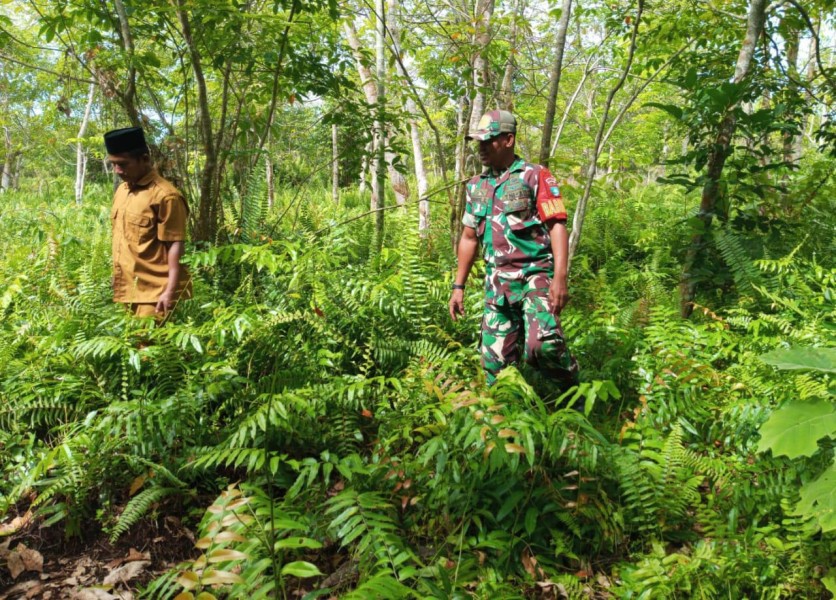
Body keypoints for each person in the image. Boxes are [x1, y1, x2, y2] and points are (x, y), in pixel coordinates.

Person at [449, 110, 578, 387]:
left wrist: (560, 277)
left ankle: (573, 397)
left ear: (508, 140)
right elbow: (469, 237)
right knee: (494, 368)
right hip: (497, 285)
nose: (481, 147)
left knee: (543, 347)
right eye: (479, 141)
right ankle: (507, 420)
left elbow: (557, 225)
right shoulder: (476, 186)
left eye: (489, 140)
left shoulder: (535, 176)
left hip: (535, 277)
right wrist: (458, 286)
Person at [104, 127, 192, 319]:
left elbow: (175, 244)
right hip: (127, 287)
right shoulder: (122, 191)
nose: (118, 170)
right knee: (134, 344)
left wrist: (170, 291)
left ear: (144, 159)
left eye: (123, 164)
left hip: (155, 292)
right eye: (114, 164)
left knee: (147, 346)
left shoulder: (166, 196)